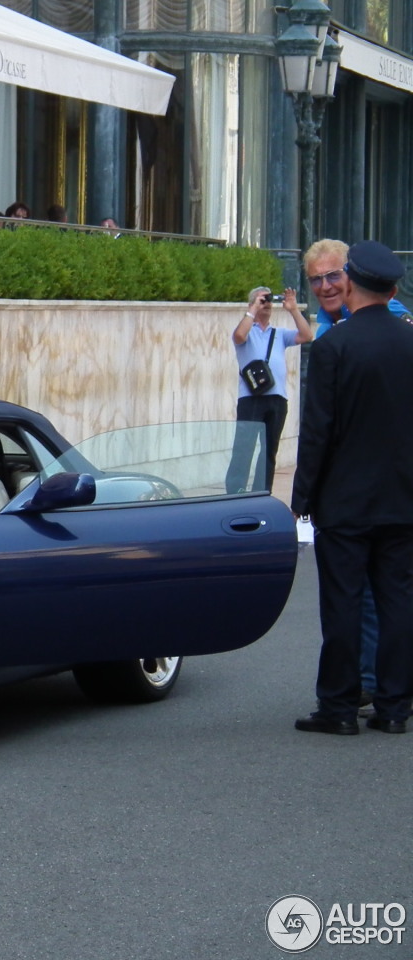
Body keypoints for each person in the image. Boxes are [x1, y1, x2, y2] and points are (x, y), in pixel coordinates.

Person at [291, 240, 413, 736]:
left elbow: (318, 431)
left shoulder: (332, 348)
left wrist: (302, 498)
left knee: (341, 602)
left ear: (353, 284)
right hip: (403, 498)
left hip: (344, 501)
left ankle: (339, 707)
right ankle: (394, 707)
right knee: (398, 601)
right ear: (394, 287)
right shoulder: (410, 341)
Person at [224, 285, 313, 494]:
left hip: (277, 399)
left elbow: (306, 335)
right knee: (244, 448)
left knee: (269, 450)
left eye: (267, 301)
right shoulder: (247, 331)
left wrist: (292, 309)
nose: (265, 304)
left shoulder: (279, 333)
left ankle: (262, 492)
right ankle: (235, 491)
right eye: (260, 300)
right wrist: (253, 309)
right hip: (251, 398)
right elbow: (238, 336)